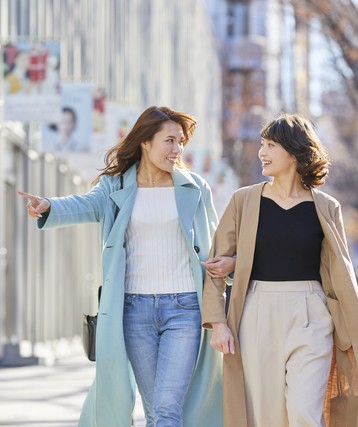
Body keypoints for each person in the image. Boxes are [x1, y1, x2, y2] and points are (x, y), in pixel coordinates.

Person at [19, 106, 234, 427]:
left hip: (185, 309)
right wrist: (49, 206)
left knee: (166, 407)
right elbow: (86, 204)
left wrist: (225, 271)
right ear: (145, 142)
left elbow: (214, 246)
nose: (177, 149)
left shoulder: (195, 188)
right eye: (170, 140)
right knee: (154, 410)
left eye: (181, 142)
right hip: (134, 311)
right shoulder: (116, 187)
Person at [202, 113, 358, 427]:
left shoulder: (326, 207)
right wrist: (217, 324)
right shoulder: (244, 201)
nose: (262, 152)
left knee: (303, 414)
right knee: (264, 417)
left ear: (295, 153)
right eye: (262, 144)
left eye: (271, 145)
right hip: (256, 312)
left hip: (311, 314)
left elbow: (340, 274)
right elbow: (216, 264)